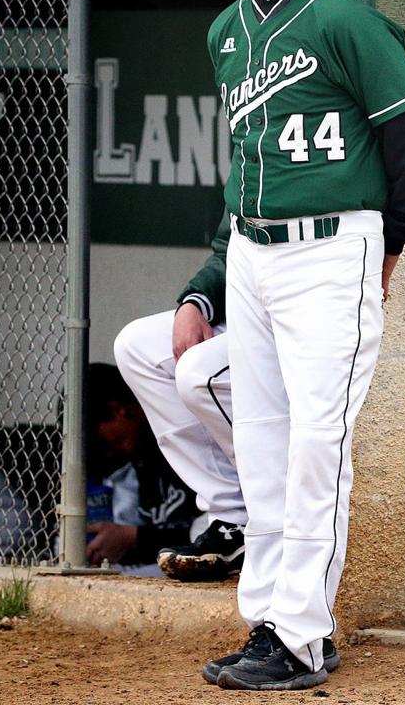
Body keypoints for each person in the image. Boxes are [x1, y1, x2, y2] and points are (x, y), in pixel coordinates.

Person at [187, 0, 405, 691]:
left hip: (333, 250)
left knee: (315, 448)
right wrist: (220, 270)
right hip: (259, 251)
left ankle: (300, 636)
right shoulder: (227, 31)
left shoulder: (344, 22)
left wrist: (393, 240)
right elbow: (243, 161)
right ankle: (271, 621)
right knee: (264, 445)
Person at [114, 213, 249, 581]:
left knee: (197, 371)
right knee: (136, 346)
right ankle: (233, 518)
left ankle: (274, 513)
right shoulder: (248, 157)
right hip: (247, 315)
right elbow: (228, 249)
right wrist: (195, 302)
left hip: (293, 319)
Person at [84, 363, 200, 569]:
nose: (104, 452)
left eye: (98, 440)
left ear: (117, 410)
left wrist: (133, 538)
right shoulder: (139, 459)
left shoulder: (188, 440)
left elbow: (221, 533)